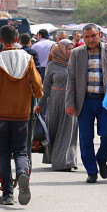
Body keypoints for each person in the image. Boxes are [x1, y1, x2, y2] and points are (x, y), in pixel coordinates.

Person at [0, 24, 43, 205]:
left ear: (0, 40)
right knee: (21, 151)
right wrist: (34, 95)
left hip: (1, 114)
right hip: (22, 115)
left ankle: (7, 192)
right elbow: (38, 89)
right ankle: (23, 173)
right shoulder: (28, 59)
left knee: (2, 152)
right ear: (17, 39)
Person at [65, 24, 107, 183]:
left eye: (93, 36)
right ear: (83, 38)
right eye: (87, 37)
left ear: (99, 34)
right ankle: (91, 171)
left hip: (106, 101)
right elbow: (71, 78)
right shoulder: (77, 53)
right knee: (85, 138)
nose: (90, 39)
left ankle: (101, 159)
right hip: (84, 102)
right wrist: (69, 102)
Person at [34, 39, 78, 171]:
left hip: (70, 102)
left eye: (72, 48)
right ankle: (55, 158)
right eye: (68, 49)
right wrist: (40, 104)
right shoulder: (52, 65)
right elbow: (46, 86)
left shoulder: (75, 64)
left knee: (67, 132)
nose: (70, 51)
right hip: (54, 102)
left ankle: (66, 161)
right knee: (54, 130)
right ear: (61, 50)